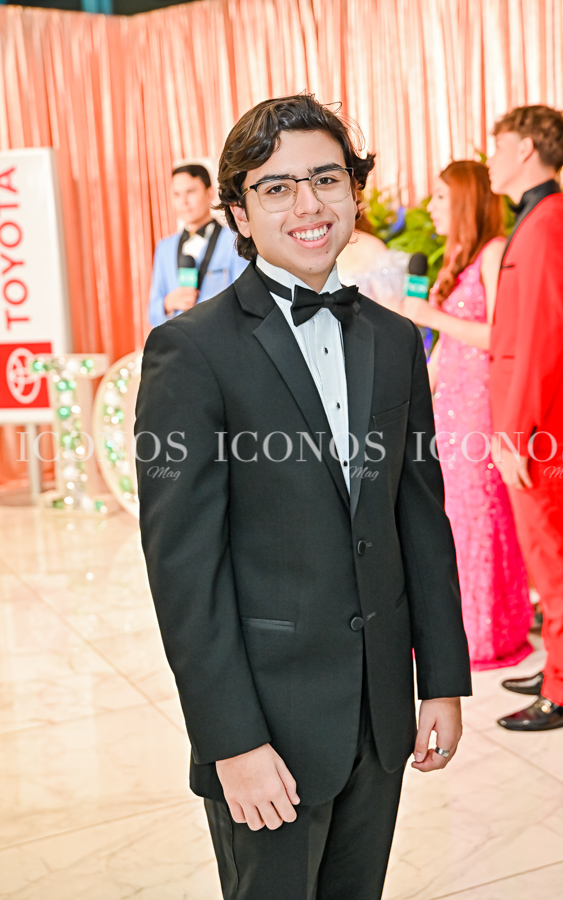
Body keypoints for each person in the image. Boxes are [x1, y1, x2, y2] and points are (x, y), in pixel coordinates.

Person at [135, 94, 471, 900]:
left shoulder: (395, 339)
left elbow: (419, 520)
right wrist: (232, 740)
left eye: (326, 178)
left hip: (380, 715)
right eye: (276, 187)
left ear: (354, 191)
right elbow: (184, 572)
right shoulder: (190, 351)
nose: (308, 204)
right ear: (240, 214)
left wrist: (442, 680)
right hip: (267, 727)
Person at [487, 105, 563, 731]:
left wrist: (514, 434)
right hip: (542, 419)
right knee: (549, 553)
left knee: (558, 556)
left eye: (498, 145)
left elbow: (540, 343)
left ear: (526, 148)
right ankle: (561, 661)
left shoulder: (551, 223)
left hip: (544, 425)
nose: (492, 158)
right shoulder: (546, 217)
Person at [400, 161, 533, 670]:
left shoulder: (495, 252)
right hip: (450, 407)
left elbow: (503, 336)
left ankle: (489, 632)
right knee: (454, 517)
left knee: (481, 516)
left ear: (465, 200)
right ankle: (458, 628)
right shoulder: (456, 259)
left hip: (481, 405)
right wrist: (417, 394)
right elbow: (446, 348)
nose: (430, 207)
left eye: (439, 197)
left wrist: (431, 316)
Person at [148, 161, 247, 327]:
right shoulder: (164, 248)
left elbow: (246, 300)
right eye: (176, 194)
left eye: (190, 192)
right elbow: (153, 316)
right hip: (178, 338)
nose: (183, 201)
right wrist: (168, 303)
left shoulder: (235, 240)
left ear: (210, 193)